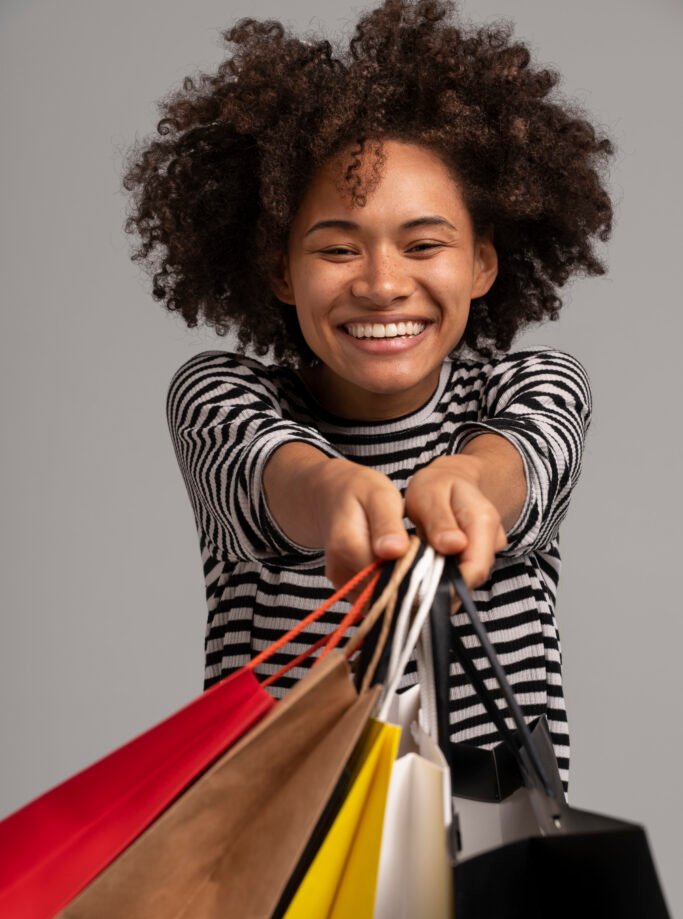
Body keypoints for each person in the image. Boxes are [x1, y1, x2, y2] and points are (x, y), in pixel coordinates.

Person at [121, 0, 615, 796]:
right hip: (273, 872)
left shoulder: (531, 386)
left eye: (423, 245)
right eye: (337, 249)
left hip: (481, 876)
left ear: (482, 265)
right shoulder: (221, 397)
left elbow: (519, 461)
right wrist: (342, 495)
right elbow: (275, 475)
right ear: (282, 271)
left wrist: (466, 486)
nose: (383, 284)